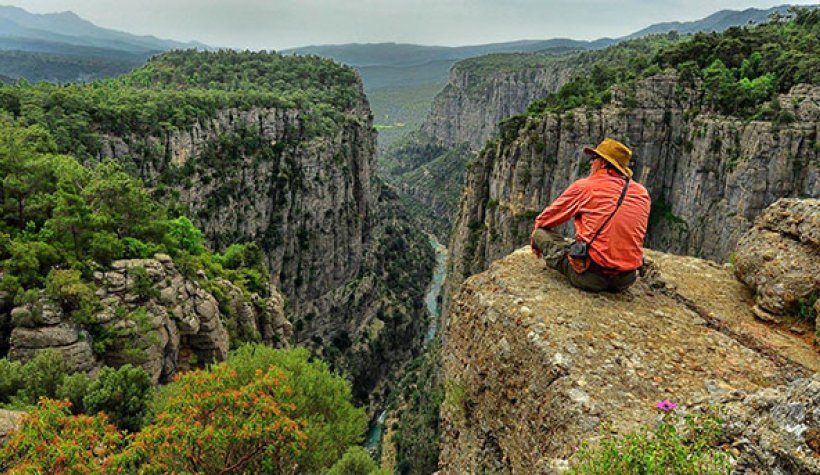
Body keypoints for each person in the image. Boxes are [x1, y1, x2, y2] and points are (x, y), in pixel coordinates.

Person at [530, 138, 651, 292]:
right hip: (625, 279)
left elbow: (546, 219)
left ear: (603, 163)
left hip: (591, 277)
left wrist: (535, 240)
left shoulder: (586, 187)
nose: (590, 163)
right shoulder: (642, 193)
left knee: (540, 234)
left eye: (594, 158)